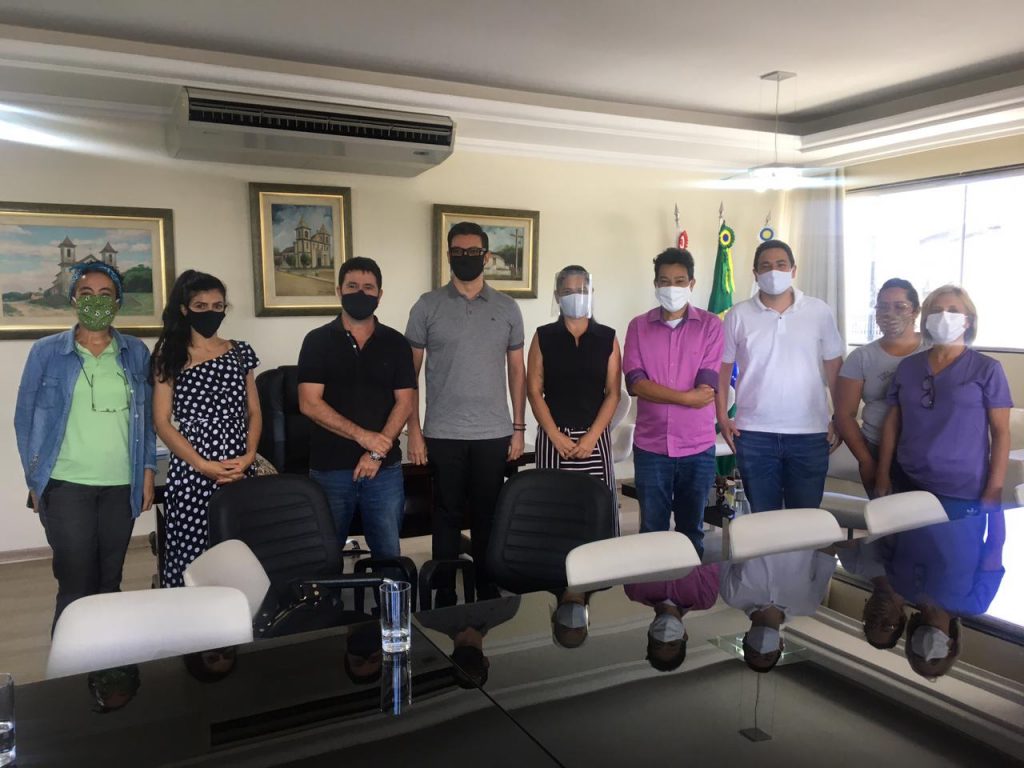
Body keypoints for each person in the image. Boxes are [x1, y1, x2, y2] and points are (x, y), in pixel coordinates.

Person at [15, 263, 156, 629]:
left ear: (118, 302)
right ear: (74, 299)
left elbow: (146, 419)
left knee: (110, 581)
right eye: (87, 293)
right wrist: (35, 480)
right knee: (75, 585)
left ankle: (108, 656)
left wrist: (147, 471)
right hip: (66, 485)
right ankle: (70, 660)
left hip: (120, 484)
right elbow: (24, 419)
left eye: (105, 294)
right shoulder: (46, 352)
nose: (96, 301)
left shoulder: (135, 352)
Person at [405, 221, 527, 604]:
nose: (466, 258)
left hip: (494, 432)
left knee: (489, 513)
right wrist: (414, 431)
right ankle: (443, 590)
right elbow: (408, 376)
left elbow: (517, 371)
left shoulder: (507, 308)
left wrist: (519, 428)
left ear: (486, 257)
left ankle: (487, 585)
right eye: (458, 252)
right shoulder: (427, 306)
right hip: (442, 431)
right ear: (448, 255)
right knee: (446, 514)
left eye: (473, 252)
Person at [298, 257, 417, 559]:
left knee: (389, 556)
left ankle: (389, 595)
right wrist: (365, 437)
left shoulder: (396, 343)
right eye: (352, 286)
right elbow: (309, 403)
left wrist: (376, 452)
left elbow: (405, 401)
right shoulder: (317, 341)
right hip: (330, 469)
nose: (360, 293)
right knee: (325, 557)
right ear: (339, 291)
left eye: (368, 287)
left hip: (384, 470)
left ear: (380, 294)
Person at [717, 239, 845, 513]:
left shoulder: (819, 311)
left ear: (793, 270)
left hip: (810, 433)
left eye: (780, 265)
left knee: (805, 517)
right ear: (755, 273)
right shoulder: (738, 314)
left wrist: (840, 418)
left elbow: (834, 368)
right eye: (765, 266)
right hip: (754, 434)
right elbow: (722, 368)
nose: (773, 271)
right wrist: (722, 417)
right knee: (764, 517)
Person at [151, 271, 261, 587]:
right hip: (193, 466)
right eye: (201, 306)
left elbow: (254, 412)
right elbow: (162, 422)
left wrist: (249, 456)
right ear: (184, 309)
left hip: (240, 464)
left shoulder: (239, 351)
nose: (210, 312)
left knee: (240, 551)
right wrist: (202, 465)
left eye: (217, 306)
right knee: (193, 554)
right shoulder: (170, 355)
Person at [876, 285, 1012, 520]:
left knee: (955, 544)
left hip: (962, 488)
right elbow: (892, 424)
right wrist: (882, 472)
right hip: (908, 480)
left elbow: (1001, 433)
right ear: (926, 320)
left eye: (953, 311)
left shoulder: (987, 369)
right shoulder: (908, 367)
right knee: (908, 543)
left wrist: (995, 488)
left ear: (968, 321)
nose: (944, 316)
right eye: (936, 311)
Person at [622, 248, 723, 558]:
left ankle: (686, 588)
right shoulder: (638, 326)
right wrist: (685, 398)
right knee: (652, 529)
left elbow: (705, 390)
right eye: (665, 281)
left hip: (697, 447)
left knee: (692, 531)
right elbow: (635, 384)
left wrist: (662, 392)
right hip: (651, 446)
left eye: (679, 281)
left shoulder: (710, 326)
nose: (672, 287)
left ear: (692, 284)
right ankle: (655, 587)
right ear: (655, 284)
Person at [527, 265, 620, 495]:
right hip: (553, 437)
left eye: (581, 290)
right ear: (557, 296)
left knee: (597, 506)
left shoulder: (607, 337)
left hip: (595, 438)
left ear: (591, 293)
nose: (575, 296)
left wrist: (592, 437)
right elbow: (534, 391)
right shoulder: (543, 336)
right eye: (567, 292)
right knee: (554, 505)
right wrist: (555, 435)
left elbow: (613, 393)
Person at [836, 278, 926, 497]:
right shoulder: (861, 357)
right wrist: (866, 461)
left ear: (915, 311)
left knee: (925, 515)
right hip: (875, 447)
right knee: (884, 515)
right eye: (882, 307)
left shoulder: (933, 349)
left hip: (924, 449)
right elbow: (844, 414)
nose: (889, 313)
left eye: (899, 306)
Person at [719, 549, 837, 672]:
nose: (761, 649)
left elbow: (724, 549)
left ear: (745, 639)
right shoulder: (808, 605)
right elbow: (826, 555)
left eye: (754, 653)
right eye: (768, 656)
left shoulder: (732, 596)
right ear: (781, 645)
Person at [624, 562, 721, 672]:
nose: (665, 636)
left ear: (650, 633)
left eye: (658, 643)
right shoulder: (704, 598)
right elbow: (709, 556)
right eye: (672, 644)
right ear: (684, 636)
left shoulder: (635, 591)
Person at [416, 596, 522, 688]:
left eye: (464, 672)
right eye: (473, 673)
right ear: (486, 662)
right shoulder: (506, 611)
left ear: (486, 662)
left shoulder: (428, 618)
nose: (468, 670)